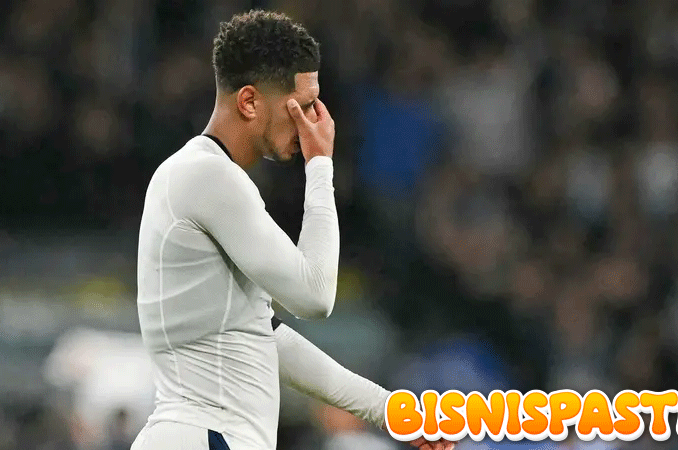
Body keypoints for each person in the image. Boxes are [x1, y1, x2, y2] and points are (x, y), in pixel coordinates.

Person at [131, 10, 454, 450]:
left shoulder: (195, 176)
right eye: (302, 106)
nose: (314, 122)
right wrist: (320, 166)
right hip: (207, 434)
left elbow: (268, 337)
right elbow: (315, 296)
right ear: (249, 102)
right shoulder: (209, 177)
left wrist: (388, 410)